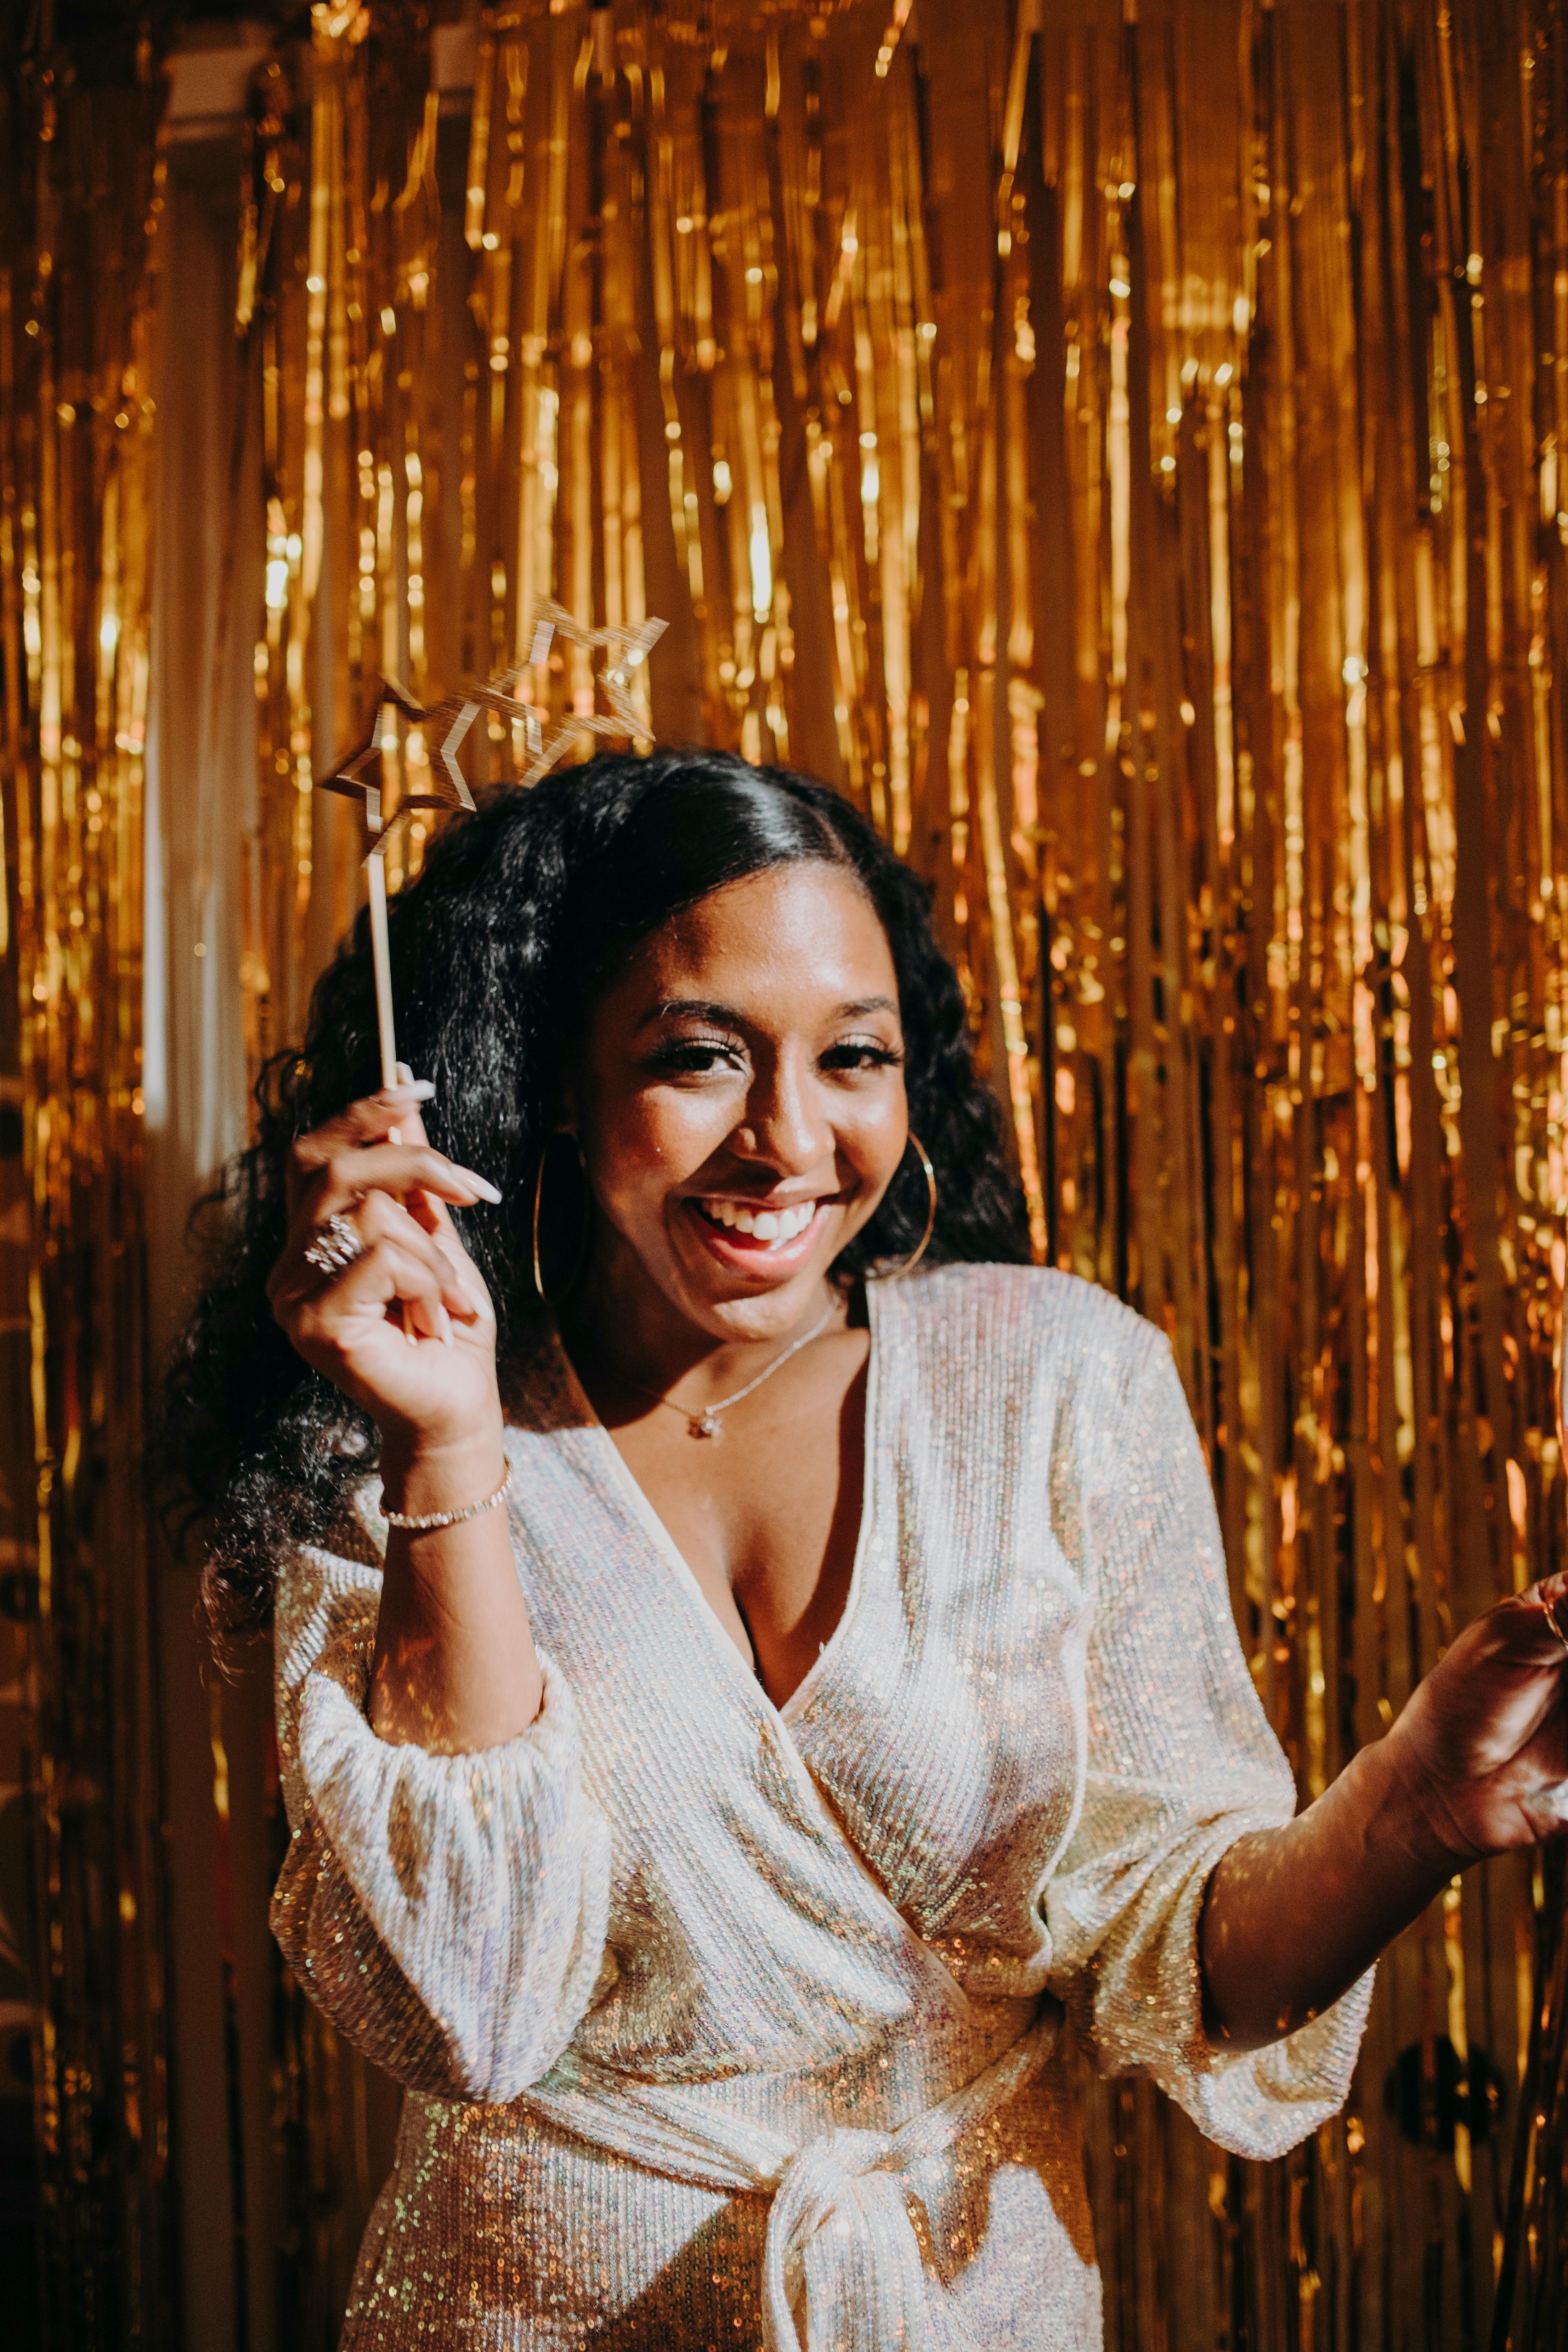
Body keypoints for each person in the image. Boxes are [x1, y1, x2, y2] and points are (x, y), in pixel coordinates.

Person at [164, 749, 1568, 2352]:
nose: (786, 1138)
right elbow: (467, 2002)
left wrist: (1410, 1811)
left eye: (854, 1056)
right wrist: (449, 1441)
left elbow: (1179, 1962)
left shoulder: (1058, 1380)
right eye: (701, 1056)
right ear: (559, 1073)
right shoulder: (398, 1431)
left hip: (975, 2308)